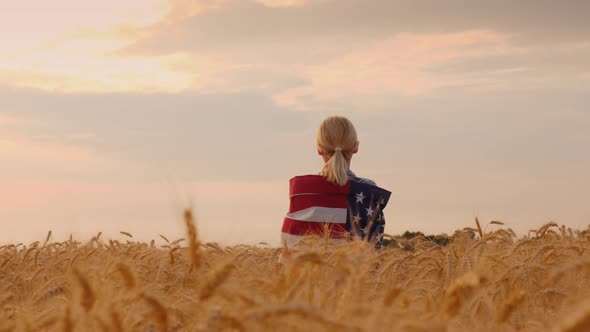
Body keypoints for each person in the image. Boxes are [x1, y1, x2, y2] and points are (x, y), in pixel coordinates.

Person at [280, 116, 391, 256]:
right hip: (353, 277)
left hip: (309, 276)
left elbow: (290, 247)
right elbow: (374, 251)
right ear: (356, 147)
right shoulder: (368, 190)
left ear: (319, 149)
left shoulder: (301, 191)